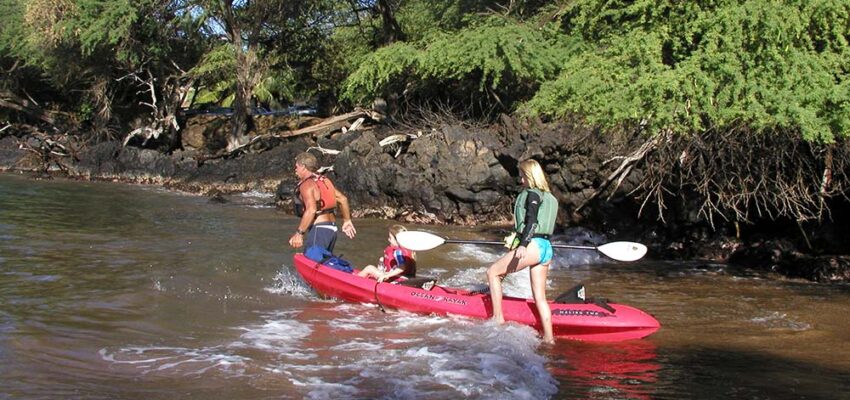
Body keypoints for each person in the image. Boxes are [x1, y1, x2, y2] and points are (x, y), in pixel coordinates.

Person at [486, 159, 559, 343]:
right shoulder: (550, 197)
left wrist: (523, 244)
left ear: (529, 176)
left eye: (523, 176)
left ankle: (498, 318)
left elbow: (532, 222)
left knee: (493, 272)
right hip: (546, 248)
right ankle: (549, 339)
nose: (521, 181)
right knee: (540, 298)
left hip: (532, 245)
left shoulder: (532, 195)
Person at [288, 152, 356, 253]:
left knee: (312, 263)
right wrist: (347, 221)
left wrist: (299, 233)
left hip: (319, 230)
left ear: (303, 167)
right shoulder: (324, 181)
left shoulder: (307, 185)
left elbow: (311, 210)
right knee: (321, 264)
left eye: (296, 166)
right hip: (331, 230)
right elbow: (343, 199)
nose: (295, 169)